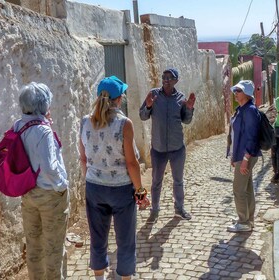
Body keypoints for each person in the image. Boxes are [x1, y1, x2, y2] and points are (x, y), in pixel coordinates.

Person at [79, 76, 146, 280]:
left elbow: (83, 158)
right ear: (119, 99)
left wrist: (90, 181)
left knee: (97, 236)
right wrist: (140, 191)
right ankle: (124, 276)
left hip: (94, 187)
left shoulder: (85, 122)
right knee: (125, 238)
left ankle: (99, 277)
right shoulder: (124, 124)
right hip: (120, 189)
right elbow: (132, 162)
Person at [17, 82, 70, 279]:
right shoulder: (44, 130)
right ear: (44, 104)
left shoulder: (18, 125)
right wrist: (62, 185)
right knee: (54, 248)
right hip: (49, 194)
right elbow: (50, 167)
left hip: (28, 193)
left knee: (34, 247)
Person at [139, 68, 196, 223]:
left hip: (177, 148)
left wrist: (189, 108)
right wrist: (149, 106)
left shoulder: (181, 98)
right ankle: (154, 211)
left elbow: (186, 120)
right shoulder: (154, 95)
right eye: (164, 77)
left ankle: (179, 208)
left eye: (170, 78)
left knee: (178, 181)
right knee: (156, 181)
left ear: (176, 81)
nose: (166, 80)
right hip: (158, 149)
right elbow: (142, 116)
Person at [227, 80, 261, 232]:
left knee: (238, 189)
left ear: (247, 93)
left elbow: (252, 137)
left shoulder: (250, 111)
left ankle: (243, 222)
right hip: (240, 154)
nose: (235, 93)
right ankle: (248, 219)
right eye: (235, 90)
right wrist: (233, 156)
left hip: (246, 155)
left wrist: (245, 159)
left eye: (238, 91)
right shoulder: (241, 109)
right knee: (247, 188)